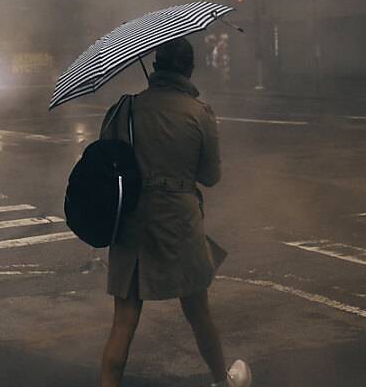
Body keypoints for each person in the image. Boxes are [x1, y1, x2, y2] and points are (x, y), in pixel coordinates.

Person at [98, 37, 251, 387]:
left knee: (123, 321)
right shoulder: (199, 113)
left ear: (154, 68)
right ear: (189, 68)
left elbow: (105, 159)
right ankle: (221, 380)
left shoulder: (124, 109)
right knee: (198, 311)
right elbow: (211, 176)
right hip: (179, 221)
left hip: (132, 220)